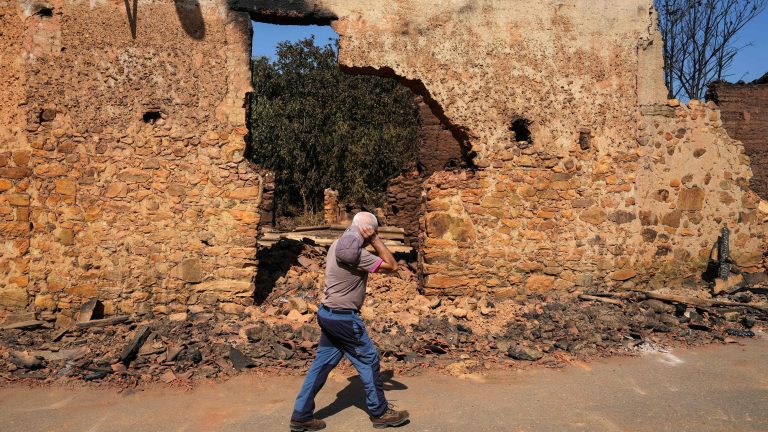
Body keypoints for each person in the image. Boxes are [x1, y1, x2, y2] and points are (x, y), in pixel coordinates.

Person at [289, 212, 410, 431]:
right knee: (369, 361)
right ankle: (380, 413)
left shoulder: (336, 245)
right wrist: (375, 239)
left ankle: (301, 415)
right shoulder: (358, 255)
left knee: (321, 365)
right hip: (344, 320)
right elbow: (392, 265)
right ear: (369, 230)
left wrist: (366, 237)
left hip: (327, 314)